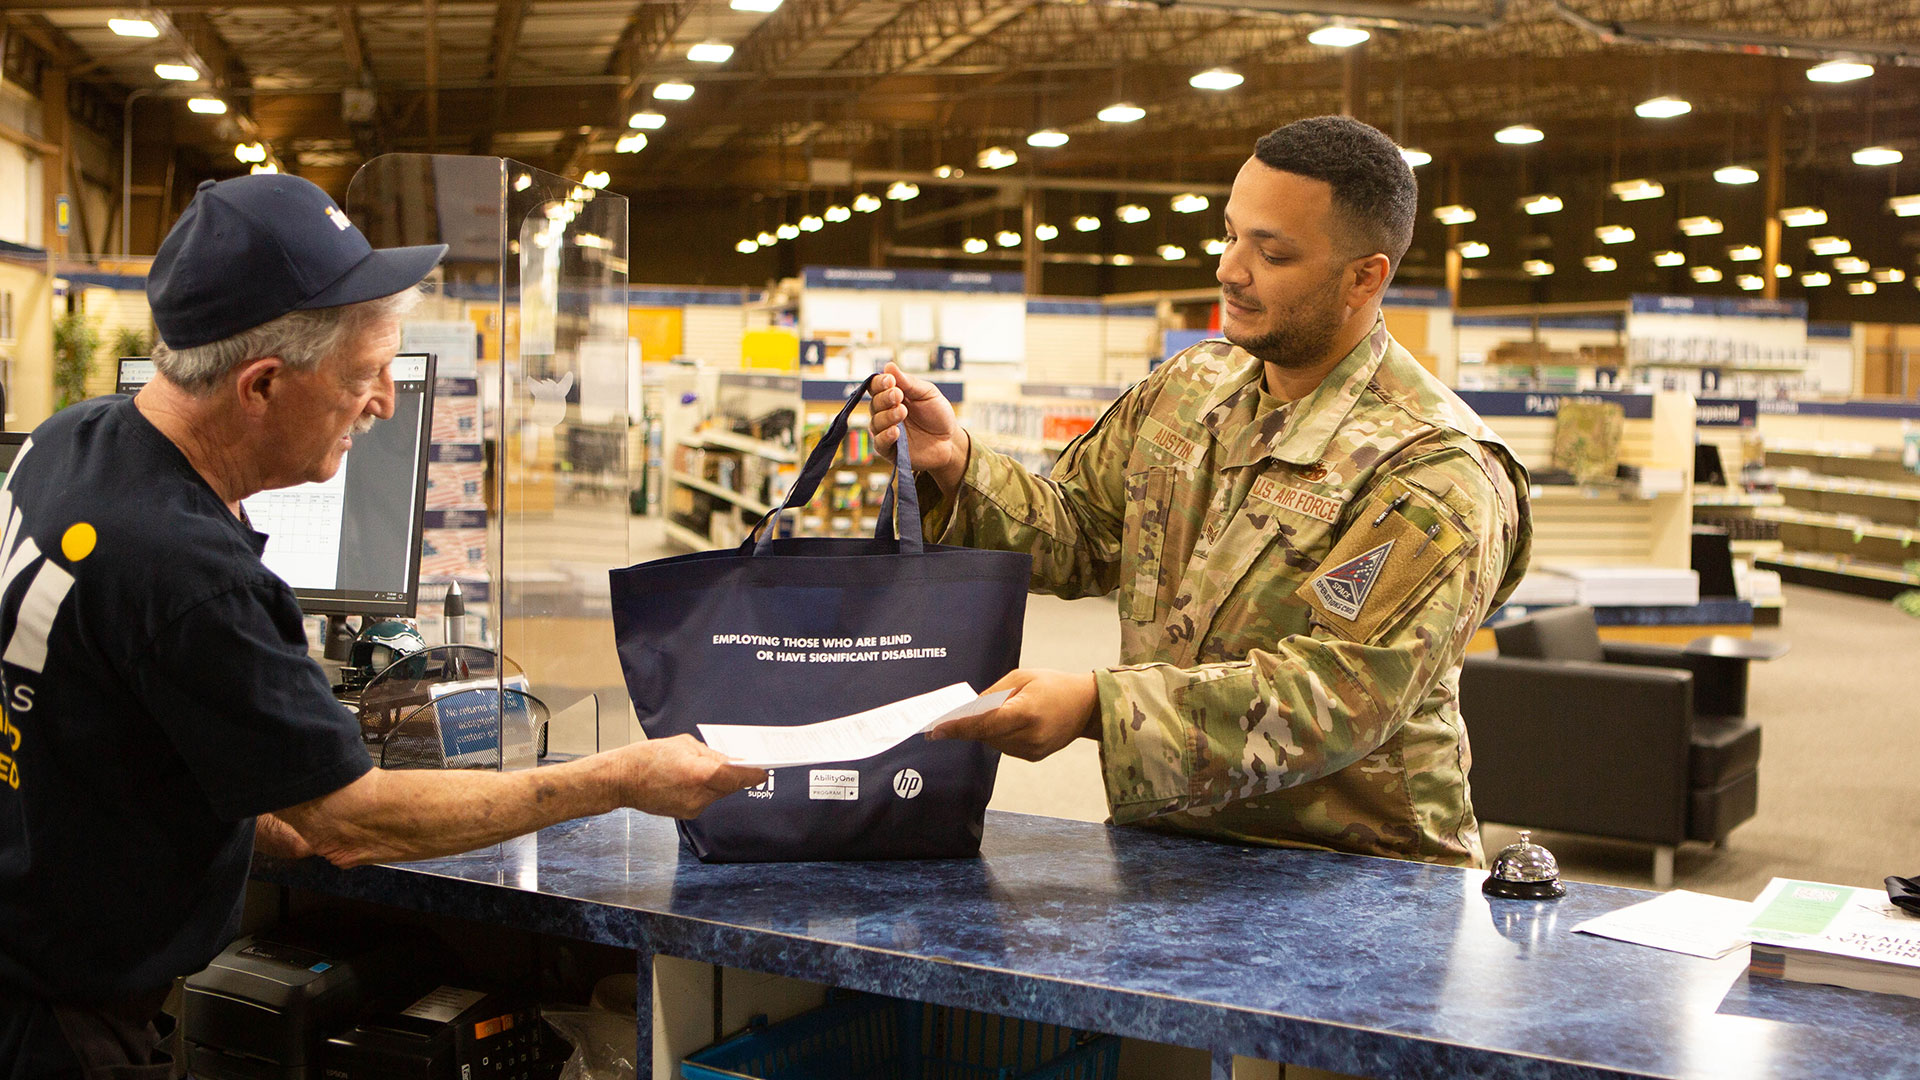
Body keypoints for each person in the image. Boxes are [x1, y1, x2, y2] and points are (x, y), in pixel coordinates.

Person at [0, 174, 765, 1078]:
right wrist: (625, 777)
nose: (386, 404)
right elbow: (352, 823)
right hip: (56, 1027)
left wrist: (264, 799)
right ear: (262, 385)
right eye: (366, 377)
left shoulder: (69, 442)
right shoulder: (190, 573)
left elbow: (116, 711)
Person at [870, 115, 1531, 868]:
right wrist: (956, 463)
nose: (1230, 268)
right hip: (1172, 848)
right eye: (1231, 233)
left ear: (1364, 278)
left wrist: (1098, 707)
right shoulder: (1190, 389)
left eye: (1271, 252)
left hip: (1358, 880)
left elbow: (1340, 696)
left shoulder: (1433, 468)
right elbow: (1081, 532)